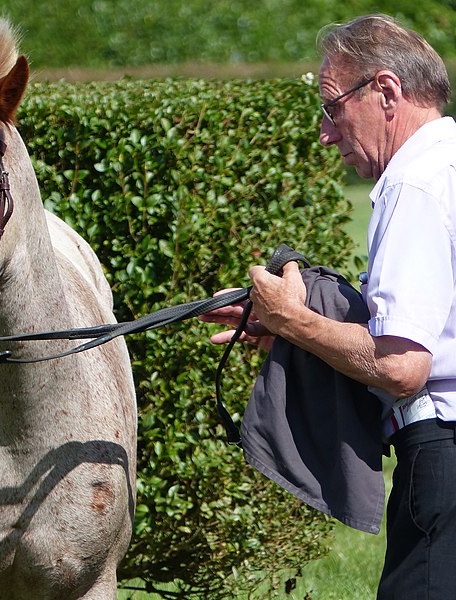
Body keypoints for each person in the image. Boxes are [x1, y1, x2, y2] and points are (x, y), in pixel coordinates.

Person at [199, 14, 456, 600]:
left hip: (444, 459)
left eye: (331, 106)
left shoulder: (414, 182)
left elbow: (402, 365)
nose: (324, 131)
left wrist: (294, 319)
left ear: (386, 92)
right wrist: (292, 332)